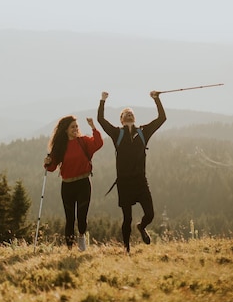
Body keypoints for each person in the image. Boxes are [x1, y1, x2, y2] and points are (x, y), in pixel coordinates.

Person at [97, 90, 166, 253]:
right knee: (126, 218)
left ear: (134, 117)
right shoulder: (116, 133)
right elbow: (100, 120)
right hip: (124, 183)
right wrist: (102, 100)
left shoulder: (143, 132)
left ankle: (142, 227)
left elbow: (162, 118)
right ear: (121, 119)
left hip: (140, 181)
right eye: (125, 113)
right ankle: (126, 249)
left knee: (150, 214)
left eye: (131, 113)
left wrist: (156, 99)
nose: (128, 114)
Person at [43, 115, 103, 251]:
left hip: (83, 183)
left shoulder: (83, 141)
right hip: (67, 186)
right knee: (70, 219)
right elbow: (51, 167)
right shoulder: (60, 147)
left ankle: (81, 239)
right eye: (72, 127)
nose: (76, 129)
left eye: (77, 126)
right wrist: (47, 163)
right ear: (66, 130)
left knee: (82, 216)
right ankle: (69, 247)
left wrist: (93, 127)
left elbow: (98, 143)